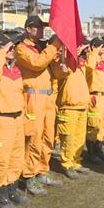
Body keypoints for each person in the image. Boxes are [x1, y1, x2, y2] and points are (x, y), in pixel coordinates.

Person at [16, 15, 63, 195]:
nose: (41, 30)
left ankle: (42, 170)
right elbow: (37, 64)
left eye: (42, 27)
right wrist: (55, 45)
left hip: (47, 98)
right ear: (28, 29)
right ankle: (29, 176)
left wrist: (61, 65)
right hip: (32, 98)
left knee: (47, 136)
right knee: (33, 138)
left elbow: (55, 73)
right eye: (37, 27)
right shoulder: (21, 48)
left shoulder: (42, 48)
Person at [0, 32, 30, 208]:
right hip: (0, 120)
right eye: (9, 47)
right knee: (0, 159)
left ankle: (11, 190)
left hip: (17, 118)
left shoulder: (15, 67)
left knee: (17, 157)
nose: (14, 49)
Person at [51, 38, 91, 179]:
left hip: (81, 106)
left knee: (79, 137)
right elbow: (60, 73)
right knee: (68, 137)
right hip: (68, 107)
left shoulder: (78, 64)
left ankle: (75, 161)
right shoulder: (60, 63)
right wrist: (65, 57)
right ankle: (67, 163)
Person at [85, 37, 104, 164]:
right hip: (95, 96)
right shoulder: (91, 59)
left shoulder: (103, 61)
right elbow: (90, 67)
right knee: (93, 124)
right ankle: (91, 153)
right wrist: (94, 51)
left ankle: (98, 150)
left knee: (102, 125)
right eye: (102, 46)